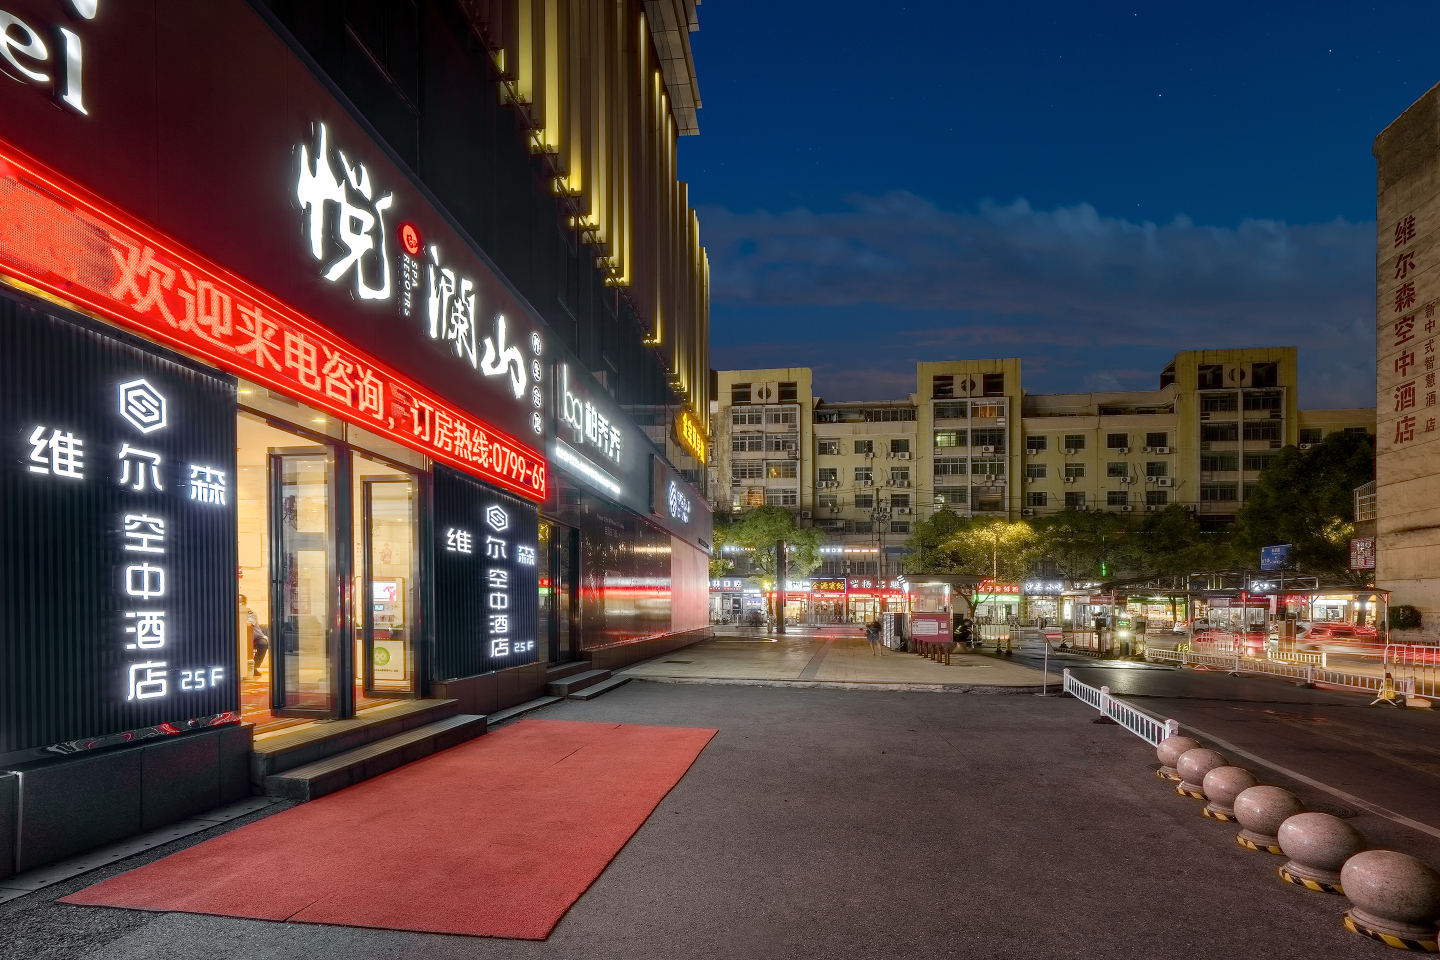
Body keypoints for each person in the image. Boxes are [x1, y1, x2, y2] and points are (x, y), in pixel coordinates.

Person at [239, 594, 269, 680]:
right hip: (240, 638)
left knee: (263, 644)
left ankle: (254, 667)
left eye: (241, 602)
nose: (239, 604)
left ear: (245, 603)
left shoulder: (251, 613)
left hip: (256, 637)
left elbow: (248, 624)